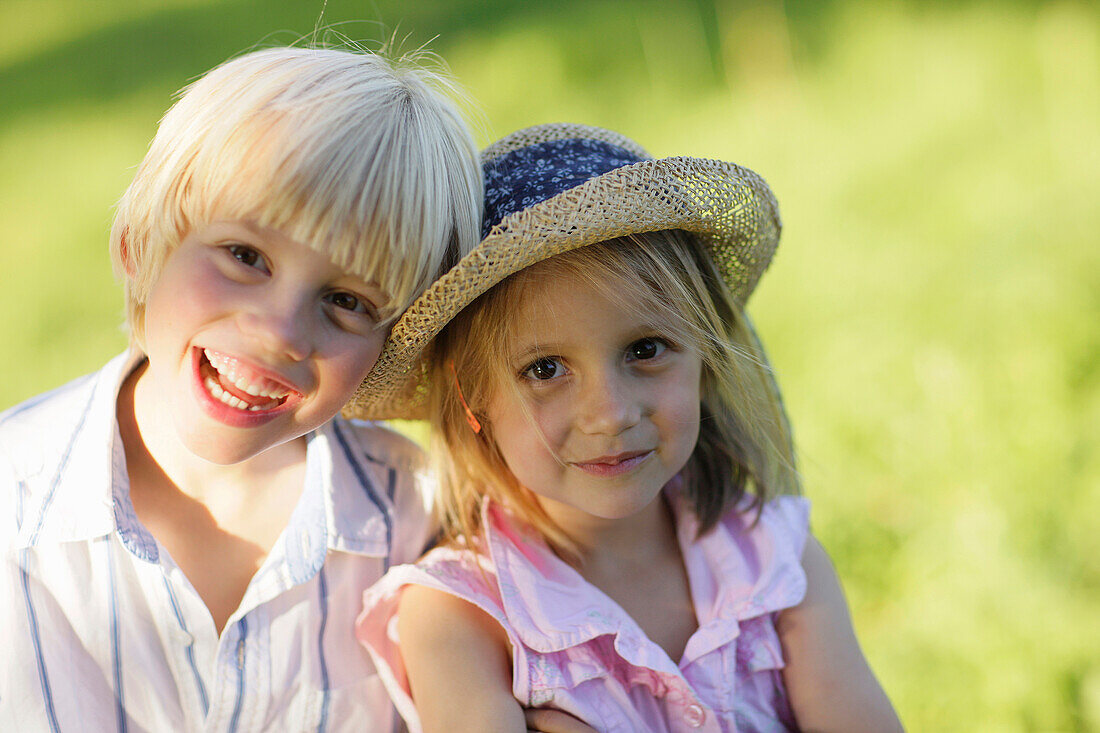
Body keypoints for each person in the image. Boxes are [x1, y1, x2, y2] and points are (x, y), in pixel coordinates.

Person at [356, 123, 905, 732]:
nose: (612, 413)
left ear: (705, 357)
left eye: (646, 349)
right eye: (544, 369)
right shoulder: (462, 617)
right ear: (470, 396)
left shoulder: (773, 562)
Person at [0, 45, 485, 731]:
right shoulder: (11, 507)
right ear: (142, 243)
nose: (280, 330)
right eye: (245, 256)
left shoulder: (422, 519)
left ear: (390, 345)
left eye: (347, 300)